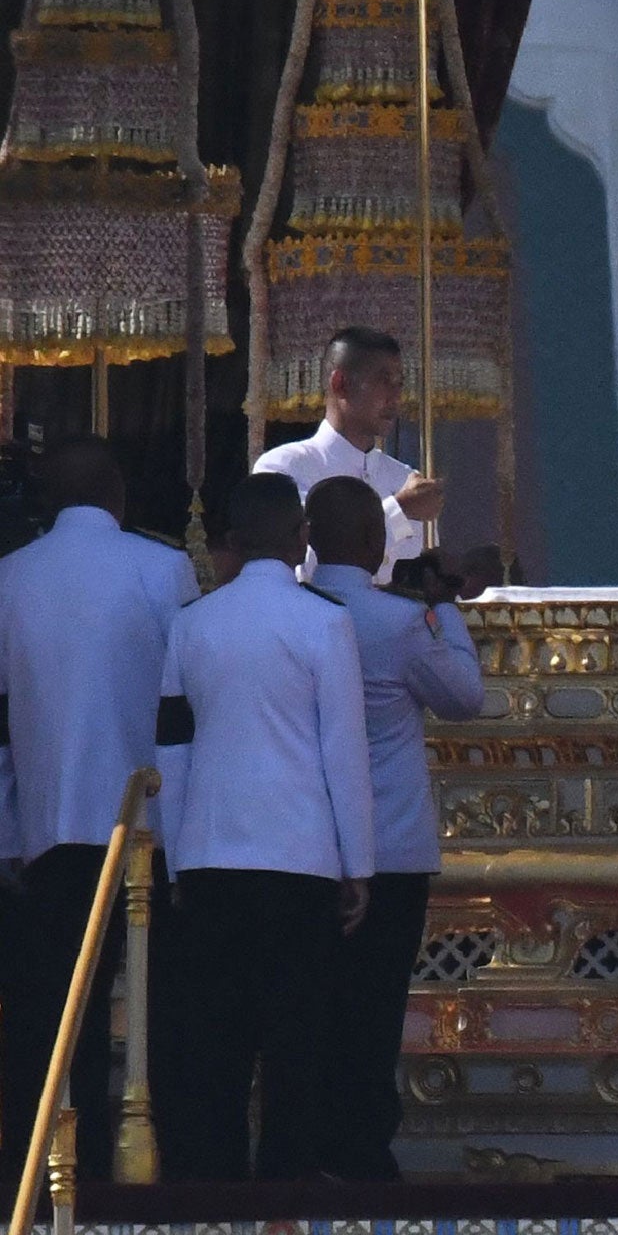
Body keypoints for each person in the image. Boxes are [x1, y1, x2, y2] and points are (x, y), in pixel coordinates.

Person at [156, 473, 374, 1181]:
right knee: (295, 1041)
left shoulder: (193, 623)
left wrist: (176, 859)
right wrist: (359, 864)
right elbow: (343, 749)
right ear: (299, 540)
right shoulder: (325, 621)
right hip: (302, 858)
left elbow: (173, 749)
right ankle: (286, 1189)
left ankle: (213, 1191)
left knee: (215, 1040)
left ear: (230, 544)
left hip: (213, 856)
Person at [0, 437, 197, 1180]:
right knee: (154, 1005)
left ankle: (40, 1163)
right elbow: (180, 714)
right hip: (148, 829)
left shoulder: (11, 578)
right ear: (117, 494)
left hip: (46, 827)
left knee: (50, 1009)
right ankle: (156, 1162)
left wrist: (7, 834)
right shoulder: (163, 568)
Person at [305, 477, 486, 1180]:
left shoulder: (300, 611)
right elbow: (464, 698)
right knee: (374, 1008)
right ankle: (361, 1148)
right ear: (378, 543)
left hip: (312, 843)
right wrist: (445, 610)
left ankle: (312, 1143)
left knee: (315, 1002)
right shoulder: (395, 621)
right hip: (390, 842)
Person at [253, 327, 443, 584]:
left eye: (400, 383)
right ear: (340, 383)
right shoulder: (285, 468)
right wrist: (398, 510)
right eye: (383, 380)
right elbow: (301, 568)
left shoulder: (404, 478)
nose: (396, 397)